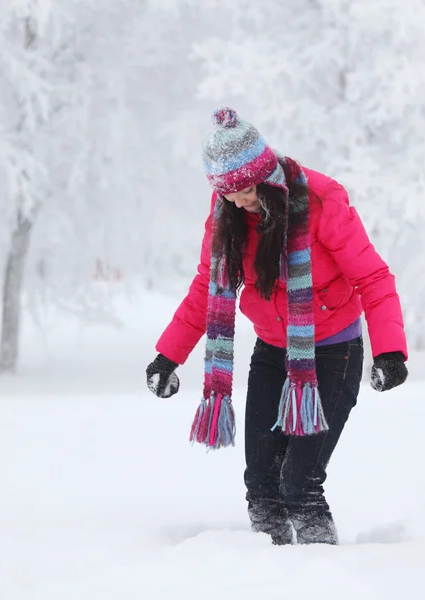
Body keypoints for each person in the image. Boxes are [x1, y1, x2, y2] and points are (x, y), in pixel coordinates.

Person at [145, 107, 408, 546]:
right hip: (272, 352)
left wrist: (390, 351)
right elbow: (205, 289)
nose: (239, 200)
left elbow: (373, 277)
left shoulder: (320, 201)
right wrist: (167, 356)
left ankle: (318, 577)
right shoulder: (228, 216)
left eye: (246, 189)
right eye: (227, 192)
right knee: (262, 486)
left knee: (299, 484)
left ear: (265, 174)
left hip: (333, 352)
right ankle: (268, 576)